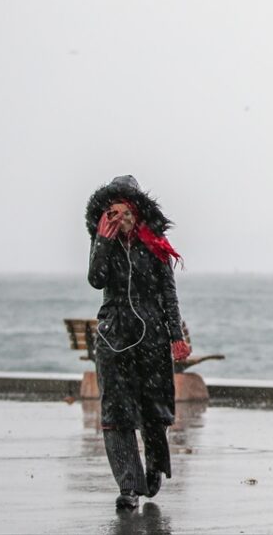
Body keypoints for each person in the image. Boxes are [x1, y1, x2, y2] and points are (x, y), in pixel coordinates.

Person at [85, 175, 191, 511]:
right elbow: (96, 279)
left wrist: (176, 335)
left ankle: (156, 467)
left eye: (125, 209)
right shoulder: (104, 240)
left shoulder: (154, 243)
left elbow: (168, 294)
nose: (120, 217)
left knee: (154, 409)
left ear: (136, 210)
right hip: (114, 333)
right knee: (116, 412)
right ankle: (128, 486)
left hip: (152, 334)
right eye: (112, 210)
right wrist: (102, 241)